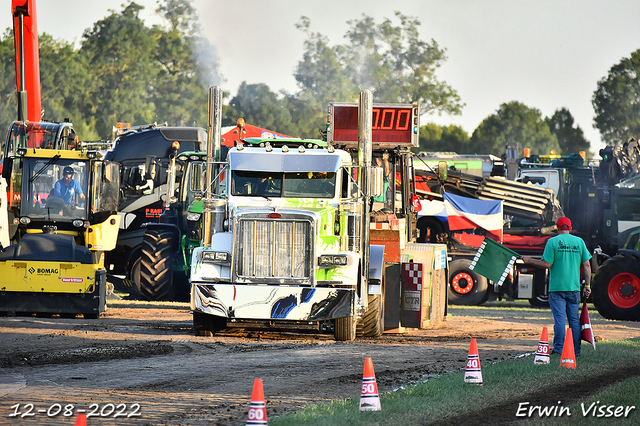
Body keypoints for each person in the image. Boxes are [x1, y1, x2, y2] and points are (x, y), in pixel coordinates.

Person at [522, 217, 591, 356]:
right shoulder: (579, 242)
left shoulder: (552, 242)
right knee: (574, 320)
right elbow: (587, 265)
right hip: (574, 288)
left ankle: (559, 349)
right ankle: (576, 351)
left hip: (557, 288)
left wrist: (530, 260)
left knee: (559, 319)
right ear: (570, 228)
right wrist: (587, 285)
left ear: (558, 228)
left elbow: (547, 264)